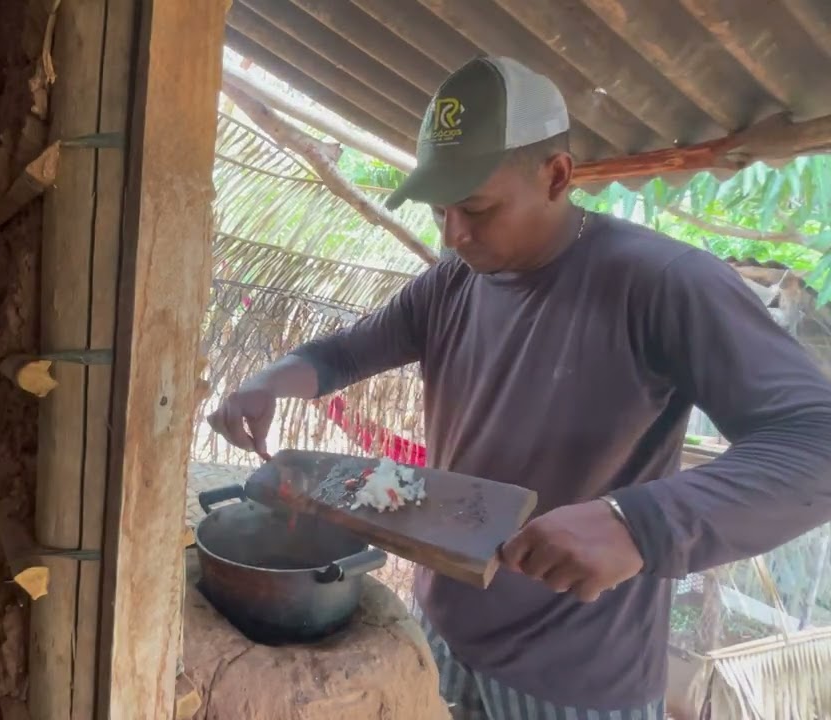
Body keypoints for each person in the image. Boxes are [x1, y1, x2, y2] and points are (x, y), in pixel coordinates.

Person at [207, 56, 831, 720]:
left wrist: (637, 525)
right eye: (441, 209)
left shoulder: (663, 282)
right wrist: (272, 382)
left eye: (476, 206)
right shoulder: (452, 280)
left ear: (557, 175)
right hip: (443, 628)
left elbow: (814, 444)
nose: (453, 233)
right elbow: (344, 351)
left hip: (575, 678)